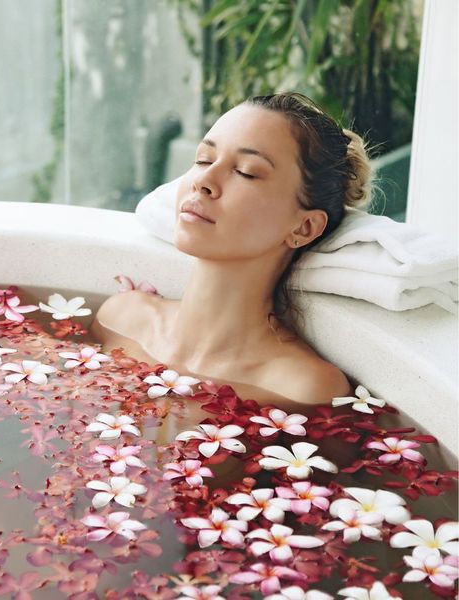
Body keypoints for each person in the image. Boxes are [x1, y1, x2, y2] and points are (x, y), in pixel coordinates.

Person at [90, 92, 374, 410]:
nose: (204, 181)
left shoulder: (304, 387)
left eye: (246, 171)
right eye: (203, 159)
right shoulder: (123, 317)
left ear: (303, 228)